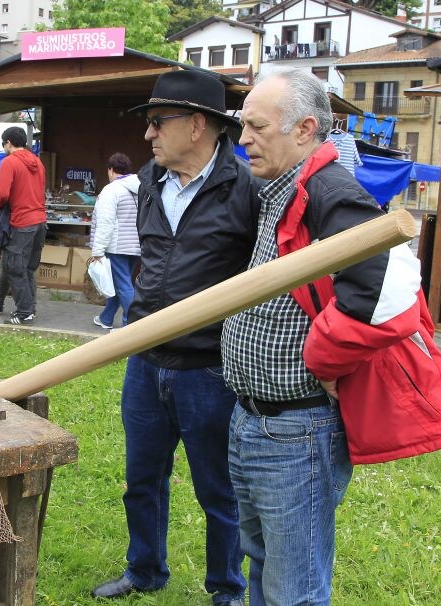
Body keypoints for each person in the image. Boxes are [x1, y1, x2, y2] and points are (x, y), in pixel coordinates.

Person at [221, 68, 441, 605]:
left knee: (295, 587)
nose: (243, 139)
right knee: (263, 565)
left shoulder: (333, 192)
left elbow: (388, 295)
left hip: (297, 429)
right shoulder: (281, 188)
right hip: (257, 421)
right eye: (244, 126)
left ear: (305, 129)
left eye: (257, 127)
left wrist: (322, 360)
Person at [90, 70, 261, 606]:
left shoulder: (247, 188)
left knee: (219, 491)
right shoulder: (147, 183)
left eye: (157, 122)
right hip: (145, 359)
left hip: (208, 368)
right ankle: (144, 571)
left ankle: (227, 591)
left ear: (197, 125)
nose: (148, 134)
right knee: (142, 478)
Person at [0, 126, 46, 325]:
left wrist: (1, 206)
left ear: (8, 142)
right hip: (40, 222)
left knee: (13, 267)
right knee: (22, 267)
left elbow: (2, 194)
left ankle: (25, 312)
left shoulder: (9, 162)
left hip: (21, 222)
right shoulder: (37, 162)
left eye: (4, 144)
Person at [89, 152, 140, 330]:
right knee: (120, 284)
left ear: (111, 170)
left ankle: (131, 324)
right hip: (135, 247)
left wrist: (97, 250)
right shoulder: (140, 188)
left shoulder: (111, 190)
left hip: (116, 246)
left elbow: (106, 222)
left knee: (123, 286)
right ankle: (106, 318)